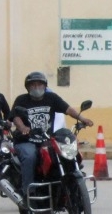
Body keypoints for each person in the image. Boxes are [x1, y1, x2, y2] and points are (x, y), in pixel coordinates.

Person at [9, 71, 94, 206]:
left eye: (40, 84)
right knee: (30, 156)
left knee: (63, 155)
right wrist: (23, 127)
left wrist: (82, 118)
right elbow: (16, 116)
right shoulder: (22, 100)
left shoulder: (52, 98)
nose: (37, 87)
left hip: (45, 139)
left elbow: (68, 109)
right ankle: (28, 192)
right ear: (28, 87)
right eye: (33, 85)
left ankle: (67, 187)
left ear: (45, 86)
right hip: (26, 140)